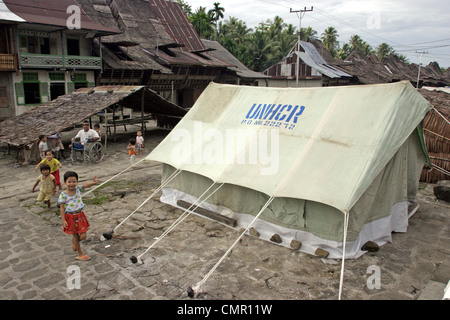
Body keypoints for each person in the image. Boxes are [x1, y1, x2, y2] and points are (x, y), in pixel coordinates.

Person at [58, 171, 98, 261]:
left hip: (80, 215)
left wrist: (94, 183)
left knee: (83, 235)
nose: (71, 184)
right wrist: (64, 220)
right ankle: (80, 254)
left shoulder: (78, 190)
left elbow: (86, 185)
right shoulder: (63, 195)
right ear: (65, 183)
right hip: (70, 217)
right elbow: (61, 208)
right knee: (75, 235)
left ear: (77, 182)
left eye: (74, 181)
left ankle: (75, 242)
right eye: (69, 182)